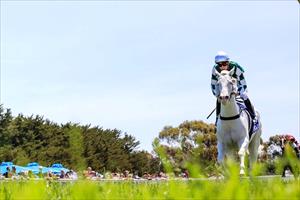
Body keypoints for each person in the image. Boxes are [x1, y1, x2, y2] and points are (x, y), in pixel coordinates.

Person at [211, 51, 257, 124]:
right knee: (219, 99)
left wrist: (239, 92)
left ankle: (253, 117)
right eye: (219, 64)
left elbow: (242, 82)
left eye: (224, 63)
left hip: (238, 86)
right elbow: (213, 85)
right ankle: (217, 119)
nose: (222, 67)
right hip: (224, 89)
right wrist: (218, 95)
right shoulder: (215, 69)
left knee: (244, 96)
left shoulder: (235, 67)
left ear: (228, 62)